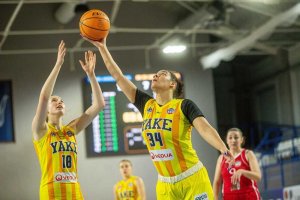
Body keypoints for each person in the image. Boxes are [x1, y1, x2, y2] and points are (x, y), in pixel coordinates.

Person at [83, 36, 234, 200]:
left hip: (192, 178)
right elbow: (118, 77)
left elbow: (204, 128)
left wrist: (222, 148)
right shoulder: (146, 105)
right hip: (165, 184)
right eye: (155, 74)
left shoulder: (184, 105)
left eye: (161, 74)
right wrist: (103, 47)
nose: (155, 76)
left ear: (172, 84)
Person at [32, 40, 105, 200]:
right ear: (46, 111)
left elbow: (99, 104)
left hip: (74, 192)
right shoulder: (41, 130)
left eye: (61, 101)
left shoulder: (71, 130)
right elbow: (44, 97)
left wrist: (91, 76)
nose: (59, 102)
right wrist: (58, 64)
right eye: (55, 100)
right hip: (51, 192)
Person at [213, 128, 261, 200]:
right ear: (226, 140)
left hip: (249, 196)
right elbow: (216, 182)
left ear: (241, 139)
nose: (233, 140)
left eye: (236, 137)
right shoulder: (221, 158)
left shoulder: (248, 154)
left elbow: (258, 176)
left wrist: (242, 171)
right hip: (229, 196)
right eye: (230, 138)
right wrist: (214, 198)